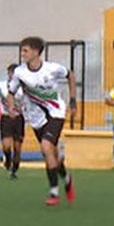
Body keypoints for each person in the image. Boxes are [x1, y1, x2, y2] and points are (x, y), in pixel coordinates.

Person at [10, 36, 75, 207]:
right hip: (36, 118)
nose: (22, 53)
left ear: (36, 52)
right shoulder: (19, 72)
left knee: (46, 147)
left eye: (25, 50)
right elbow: (11, 92)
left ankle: (53, 192)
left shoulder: (52, 69)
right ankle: (66, 178)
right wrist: (11, 107)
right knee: (51, 154)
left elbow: (70, 75)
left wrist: (73, 100)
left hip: (56, 112)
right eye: (21, 50)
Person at [0, 64, 25, 179]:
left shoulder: (24, 87)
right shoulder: (1, 85)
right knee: (6, 146)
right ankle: (7, 160)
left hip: (18, 118)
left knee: (17, 147)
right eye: (10, 73)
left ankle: (14, 169)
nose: (12, 75)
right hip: (6, 117)